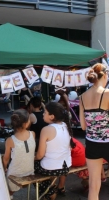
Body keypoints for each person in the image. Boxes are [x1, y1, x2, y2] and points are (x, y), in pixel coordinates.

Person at [79, 63, 109, 200]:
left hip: (92, 143)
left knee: (93, 185)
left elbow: (83, 127)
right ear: (105, 75)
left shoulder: (82, 97)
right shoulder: (107, 94)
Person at [35, 102, 75, 200]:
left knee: (32, 167)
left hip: (52, 167)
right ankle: (50, 190)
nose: (43, 114)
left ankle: (50, 192)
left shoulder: (46, 129)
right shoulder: (65, 125)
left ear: (52, 116)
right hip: (66, 166)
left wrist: (33, 158)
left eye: (45, 112)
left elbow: (40, 155)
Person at [2, 109, 35, 200]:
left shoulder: (10, 140)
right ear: (25, 124)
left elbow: (6, 158)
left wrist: (4, 168)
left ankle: (9, 195)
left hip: (15, 174)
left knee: (6, 179)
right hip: (30, 171)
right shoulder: (33, 134)